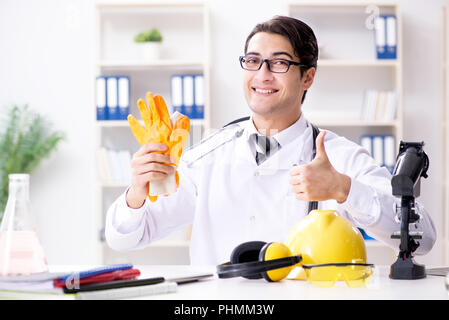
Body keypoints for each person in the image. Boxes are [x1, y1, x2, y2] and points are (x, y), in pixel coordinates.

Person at [105, 16, 436, 265]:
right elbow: (126, 239)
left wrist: (344, 189)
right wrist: (136, 192)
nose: (261, 74)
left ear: (308, 76)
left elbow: (423, 238)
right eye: (252, 61)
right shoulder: (207, 154)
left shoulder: (340, 158)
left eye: (278, 62)